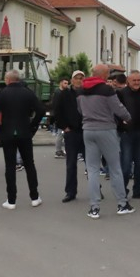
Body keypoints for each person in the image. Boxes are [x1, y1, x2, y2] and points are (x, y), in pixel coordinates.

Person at [77, 63, 135, 219]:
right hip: (106, 130)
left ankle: (94, 208)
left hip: (88, 130)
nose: (108, 77)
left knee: (93, 169)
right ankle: (122, 204)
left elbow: (80, 110)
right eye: (108, 74)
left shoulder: (81, 89)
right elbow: (118, 108)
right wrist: (128, 118)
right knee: (115, 168)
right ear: (102, 75)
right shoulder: (107, 90)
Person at [0, 69, 44, 210]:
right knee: (29, 164)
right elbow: (41, 111)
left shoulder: (1, 94)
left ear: (7, 80)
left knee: (10, 166)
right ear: (18, 79)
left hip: (7, 133)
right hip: (25, 132)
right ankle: (35, 197)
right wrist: (32, 126)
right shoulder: (28, 93)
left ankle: (11, 200)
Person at [117, 70, 140, 200]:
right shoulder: (120, 94)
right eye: (134, 80)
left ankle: (138, 190)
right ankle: (122, 191)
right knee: (126, 165)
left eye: (139, 80)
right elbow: (116, 113)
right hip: (127, 134)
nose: (137, 83)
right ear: (128, 81)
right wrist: (122, 126)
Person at [54, 70, 85, 202]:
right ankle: (70, 192)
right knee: (71, 163)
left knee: (91, 163)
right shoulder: (64, 94)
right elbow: (57, 110)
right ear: (72, 80)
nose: (79, 80)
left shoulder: (87, 92)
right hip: (71, 131)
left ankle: (97, 189)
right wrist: (64, 127)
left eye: (81, 78)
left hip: (86, 131)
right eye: (76, 78)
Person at [51, 78, 69, 158]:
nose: (66, 85)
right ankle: (58, 151)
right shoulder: (58, 93)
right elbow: (57, 106)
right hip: (61, 117)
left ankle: (59, 150)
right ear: (61, 83)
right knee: (60, 133)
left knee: (61, 133)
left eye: (67, 83)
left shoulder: (61, 92)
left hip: (62, 116)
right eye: (65, 83)